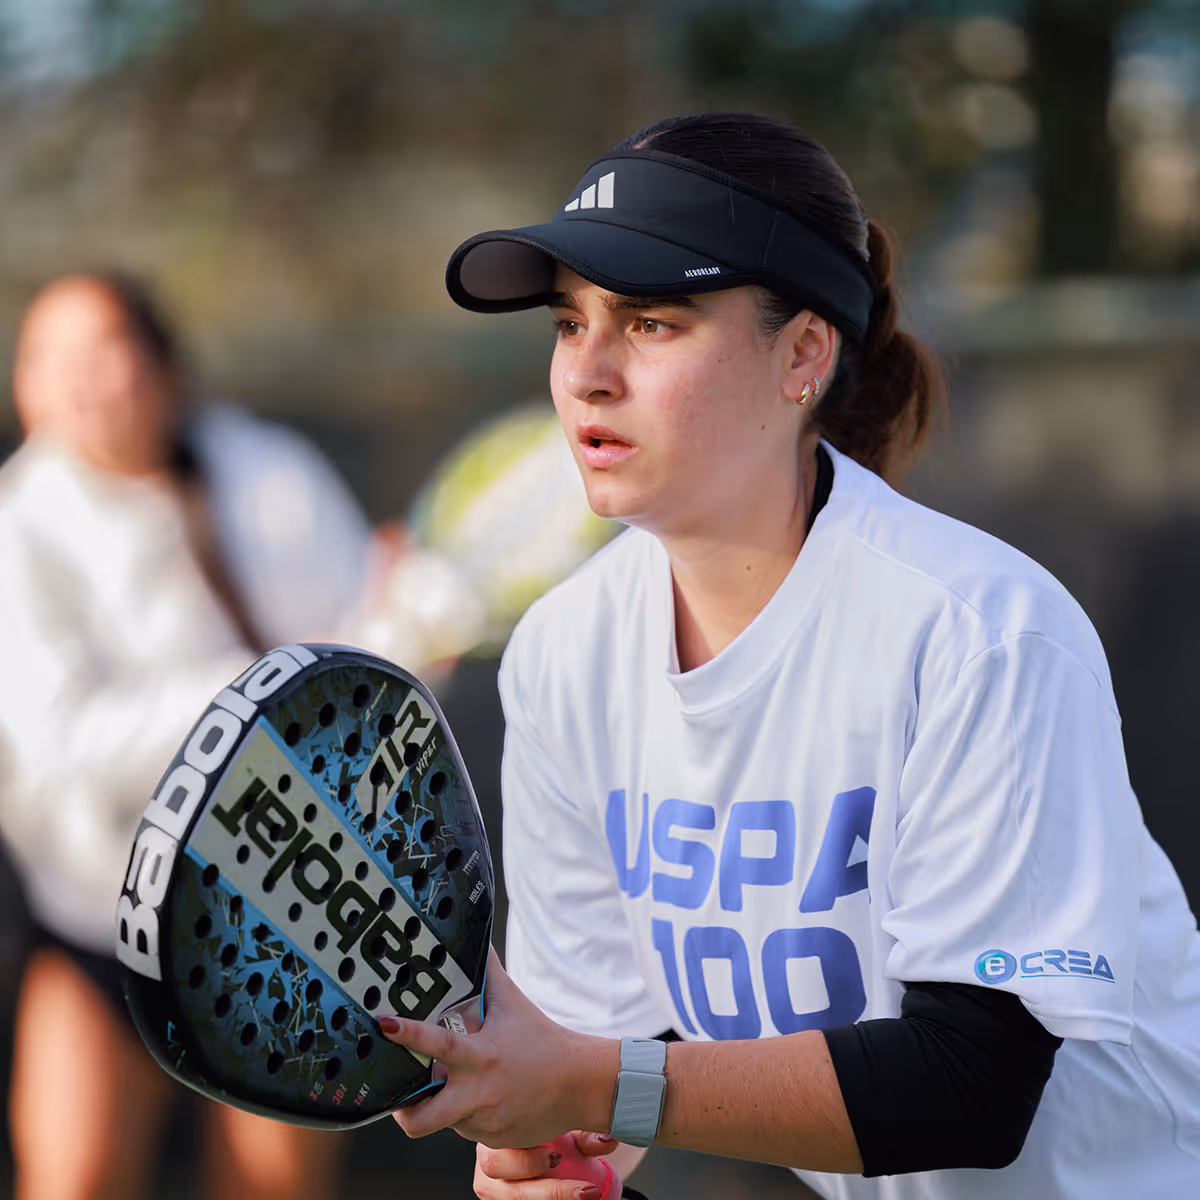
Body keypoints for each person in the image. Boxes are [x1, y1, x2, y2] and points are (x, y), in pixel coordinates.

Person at [376, 112, 1200, 1200]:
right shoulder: (563, 658)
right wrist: (558, 1156)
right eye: (570, 324)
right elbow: (596, 1062)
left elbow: (973, 1083)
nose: (587, 374)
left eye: (652, 323)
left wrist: (589, 1085)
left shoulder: (983, 632)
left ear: (804, 353)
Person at [0, 272, 371, 1200]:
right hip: (93, 926)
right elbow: (57, 752)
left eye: (103, 349)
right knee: (73, 1179)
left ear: (164, 368)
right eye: (47, 357)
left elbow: (368, 663)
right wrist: (254, 695)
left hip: (283, 916)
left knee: (273, 1186)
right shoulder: (20, 523)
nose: (77, 380)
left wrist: (408, 626)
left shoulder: (271, 471)